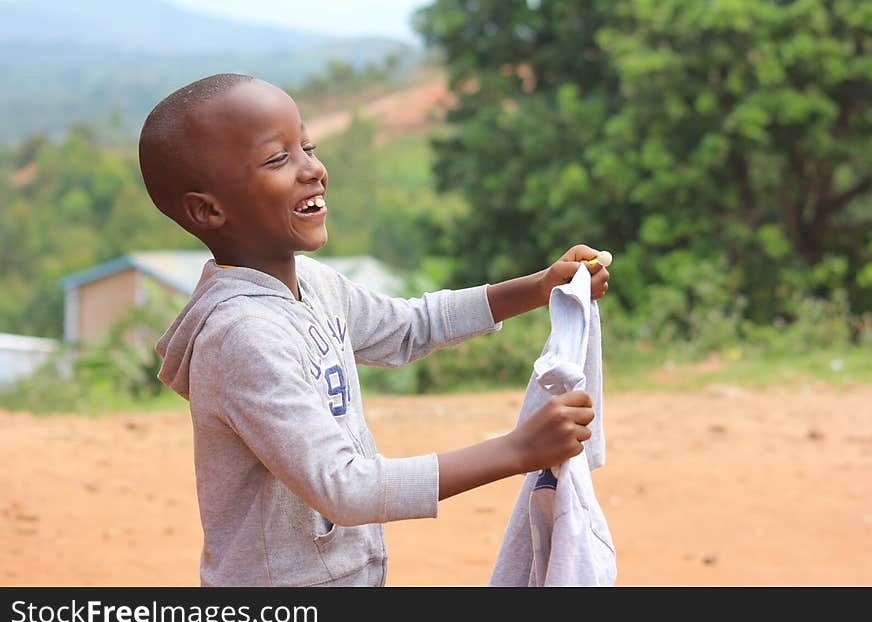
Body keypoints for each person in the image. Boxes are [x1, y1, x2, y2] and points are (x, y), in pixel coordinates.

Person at [138, 73, 611, 586]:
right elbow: (344, 488)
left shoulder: (315, 285)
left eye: (308, 147)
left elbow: (410, 326)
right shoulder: (241, 336)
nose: (312, 169)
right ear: (208, 210)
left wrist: (537, 288)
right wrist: (517, 450)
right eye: (278, 159)